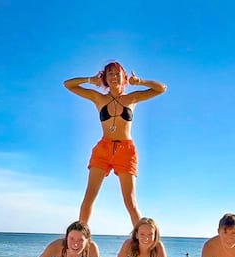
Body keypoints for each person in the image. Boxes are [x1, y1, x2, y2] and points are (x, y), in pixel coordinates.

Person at [64, 61, 167, 226]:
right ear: (104, 78)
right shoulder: (99, 98)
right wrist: (90, 80)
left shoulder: (132, 98)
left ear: (123, 77)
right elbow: (68, 84)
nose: (113, 76)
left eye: (117, 73)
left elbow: (161, 88)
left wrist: (140, 82)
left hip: (126, 150)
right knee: (89, 196)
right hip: (103, 149)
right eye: (109, 73)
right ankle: (81, 237)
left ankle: (141, 242)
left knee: (130, 201)